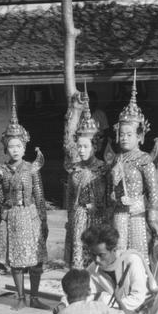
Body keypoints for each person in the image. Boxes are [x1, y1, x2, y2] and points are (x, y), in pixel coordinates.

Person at [0, 93, 50, 311]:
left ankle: (34, 296)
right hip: (11, 216)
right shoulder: (0, 170)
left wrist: (43, 219)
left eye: (18, 146)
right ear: (6, 148)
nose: (15, 149)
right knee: (15, 259)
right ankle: (20, 297)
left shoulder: (32, 168)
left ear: (24, 148)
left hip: (30, 216)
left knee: (35, 257)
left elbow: (40, 196)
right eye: (11, 146)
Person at [107, 73, 158, 264]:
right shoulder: (116, 159)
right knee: (119, 251)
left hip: (138, 211)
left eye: (129, 134)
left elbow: (153, 190)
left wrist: (153, 216)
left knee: (139, 254)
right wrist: (113, 197)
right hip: (119, 211)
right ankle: (121, 287)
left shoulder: (143, 158)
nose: (124, 138)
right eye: (121, 134)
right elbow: (111, 188)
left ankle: (142, 288)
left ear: (139, 136)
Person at [64, 93, 106, 269]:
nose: (81, 150)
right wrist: (71, 217)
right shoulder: (74, 169)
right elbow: (70, 197)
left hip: (98, 218)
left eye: (85, 146)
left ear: (95, 146)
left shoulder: (104, 168)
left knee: (97, 254)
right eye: (79, 146)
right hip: (78, 217)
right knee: (79, 253)